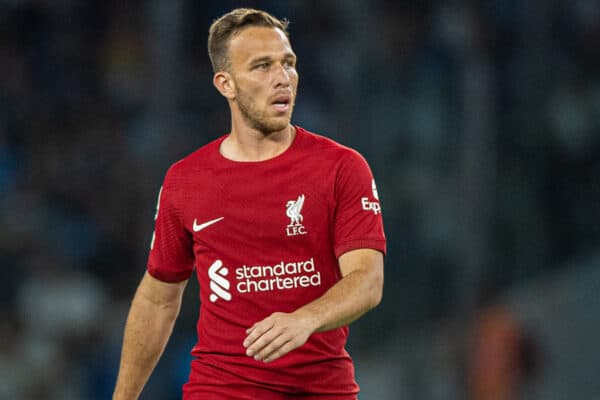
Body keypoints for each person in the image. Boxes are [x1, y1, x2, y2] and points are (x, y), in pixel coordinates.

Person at [113, 8, 386, 400]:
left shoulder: (342, 167)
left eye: (287, 63)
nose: (282, 78)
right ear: (226, 84)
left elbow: (367, 281)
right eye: (262, 66)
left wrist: (305, 319)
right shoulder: (185, 181)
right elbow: (159, 297)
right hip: (219, 390)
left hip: (320, 391)